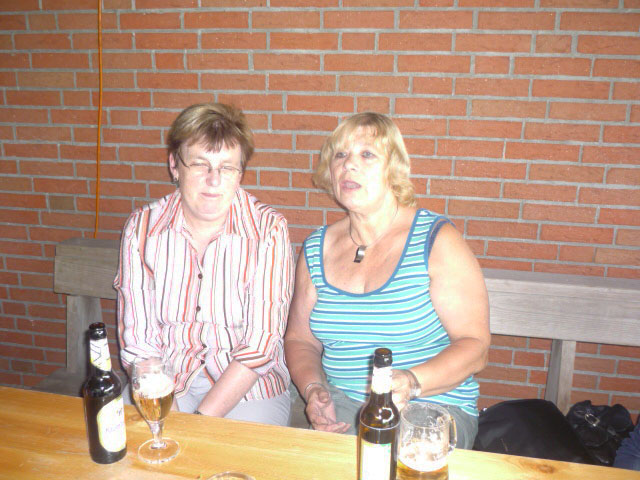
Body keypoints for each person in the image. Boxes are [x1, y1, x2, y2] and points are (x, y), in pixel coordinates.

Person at [283, 112, 490, 448]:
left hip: (429, 405)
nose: (349, 165)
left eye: (367, 154)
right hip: (342, 404)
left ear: (393, 169)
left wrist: (412, 381)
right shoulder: (316, 247)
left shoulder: (436, 240)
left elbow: (475, 346)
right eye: (340, 155)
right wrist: (313, 389)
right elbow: (300, 340)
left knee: (378, 462)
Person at [114, 103, 294, 426]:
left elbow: (261, 344)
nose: (214, 180)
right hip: (164, 379)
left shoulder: (269, 230)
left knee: (233, 457)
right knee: (129, 449)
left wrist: (198, 423)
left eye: (227, 167)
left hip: (247, 388)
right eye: (199, 164)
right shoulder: (141, 229)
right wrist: (162, 404)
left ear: (241, 173)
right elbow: (139, 338)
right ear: (174, 165)